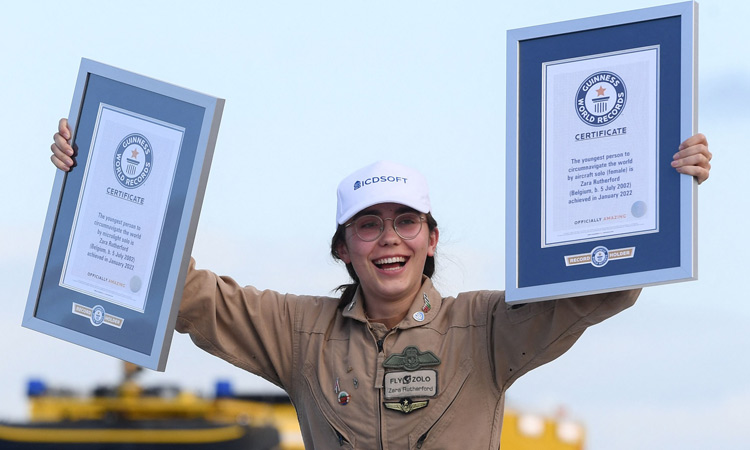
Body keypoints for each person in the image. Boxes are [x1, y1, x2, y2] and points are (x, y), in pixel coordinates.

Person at [51, 119, 711, 449]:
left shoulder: (487, 327)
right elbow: (184, 293)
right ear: (343, 247)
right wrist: (95, 181)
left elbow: (605, 285)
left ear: (431, 239)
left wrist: (667, 184)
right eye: (368, 226)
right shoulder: (297, 333)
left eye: (405, 221)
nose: (389, 238)